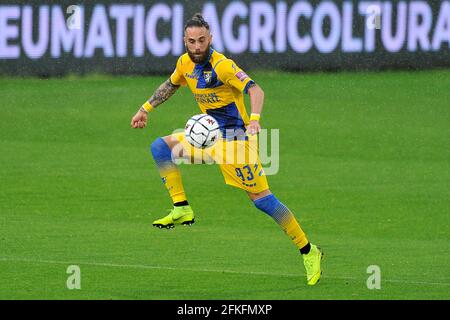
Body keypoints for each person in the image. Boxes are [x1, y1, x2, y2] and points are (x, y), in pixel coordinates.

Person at [130, 13, 324, 285]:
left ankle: (308, 250)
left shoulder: (223, 66)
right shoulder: (184, 63)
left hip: (235, 141)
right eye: (191, 41)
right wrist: (145, 109)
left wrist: (254, 121)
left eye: (201, 40)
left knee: (263, 200)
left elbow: (256, 90)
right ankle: (182, 207)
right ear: (185, 41)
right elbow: (171, 84)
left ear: (210, 39)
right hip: (208, 139)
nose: (196, 46)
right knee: (161, 147)